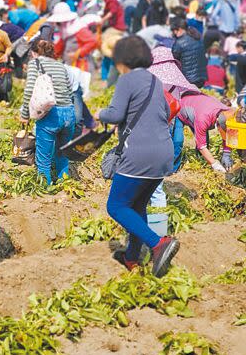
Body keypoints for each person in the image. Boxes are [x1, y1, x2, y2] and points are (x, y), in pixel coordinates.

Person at [96, 36, 178, 277]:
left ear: (122, 60)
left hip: (139, 154)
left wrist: (99, 113)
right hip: (163, 153)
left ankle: (158, 243)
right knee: (137, 205)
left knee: (116, 205)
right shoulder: (155, 80)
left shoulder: (127, 79)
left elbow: (115, 113)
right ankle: (132, 258)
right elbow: (165, 112)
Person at [20, 40, 75, 184]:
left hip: (50, 114)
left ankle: (45, 187)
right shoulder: (60, 65)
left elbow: (29, 90)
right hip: (69, 113)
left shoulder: (35, 63)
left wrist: (24, 114)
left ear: (33, 52)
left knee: (43, 158)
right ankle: (65, 185)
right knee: (63, 154)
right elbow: (70, 92)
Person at [177, 92, 234, 172]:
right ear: (217, 125)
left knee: (204, 140)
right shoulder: (203, 119)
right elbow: (201, 146)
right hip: (180, 108)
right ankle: (172, 169)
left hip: (198, 109)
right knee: (177, 141)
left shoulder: (227, 112)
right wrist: (214, 164)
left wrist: (226, 153)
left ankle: (200, 159)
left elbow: (229, 134)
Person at [49, 2, 99, 72]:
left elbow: (93, 41)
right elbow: (60, 46)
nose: (58, 24)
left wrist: (78, 53)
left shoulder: (78, 28)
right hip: (70, 66)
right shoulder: (65, 31)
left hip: (82, 67)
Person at [171, 17, 207, 89]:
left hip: (188, 80)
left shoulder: (179, 42)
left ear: (180, 29)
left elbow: (174, 60)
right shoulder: (198, 37)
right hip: (202, 77)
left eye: (175, 31)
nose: (174, 34)